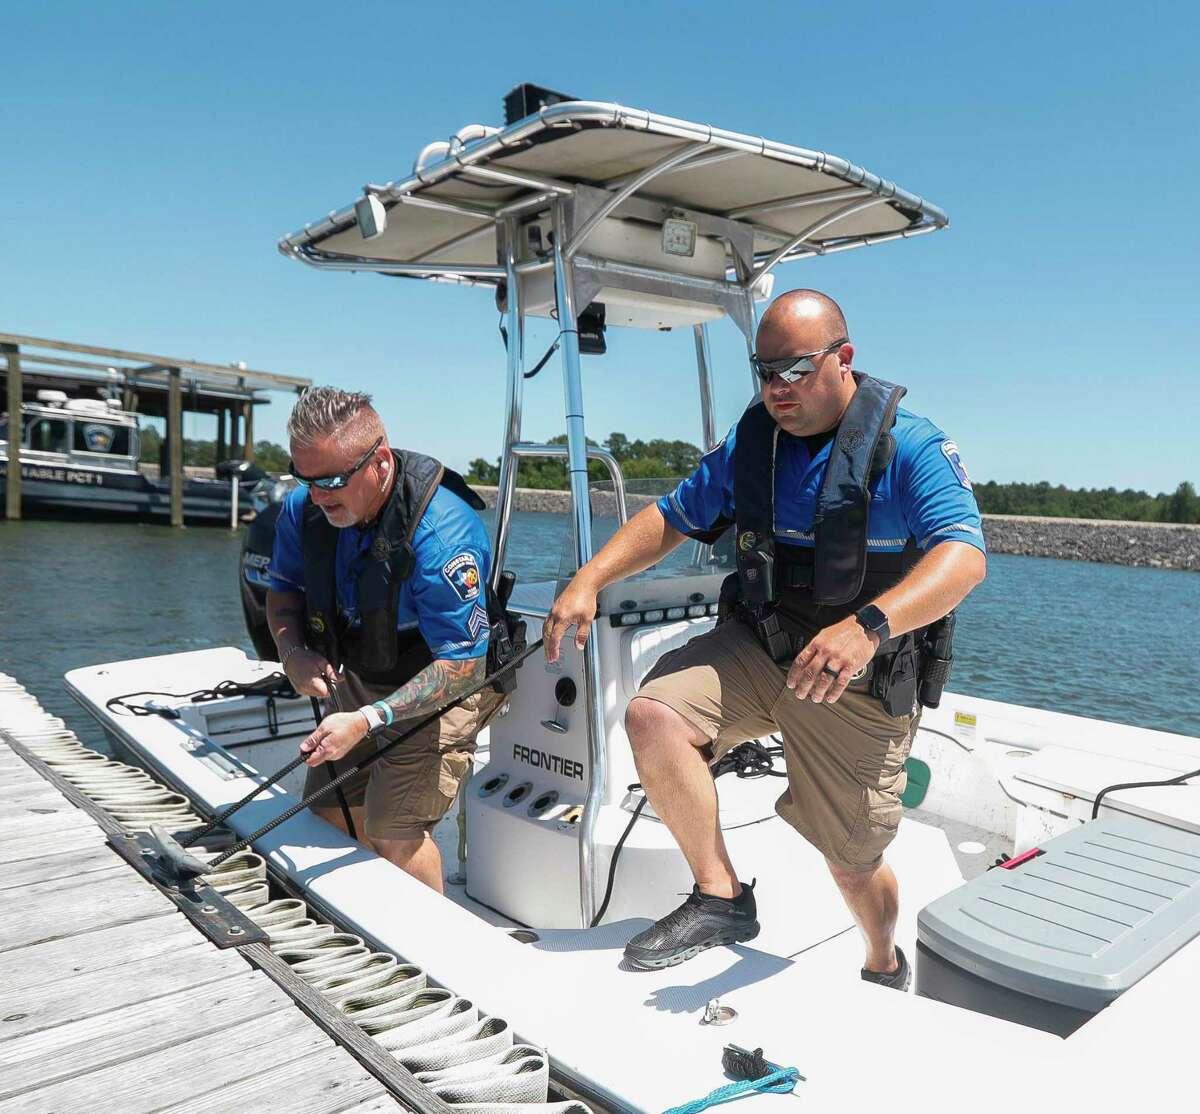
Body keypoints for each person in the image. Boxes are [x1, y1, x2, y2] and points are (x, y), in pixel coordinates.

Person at [543, 290, 987, 988]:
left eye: (797, 370)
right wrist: (589, 579)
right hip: (767, 647)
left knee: (851, 861)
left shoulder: (913, 448)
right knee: (653, 714)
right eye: (765, 371)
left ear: (844, 359)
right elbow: (672, 517)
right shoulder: (753, 442)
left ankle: (883, 960)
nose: (778, 388)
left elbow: (964, 558)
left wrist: (868, 626)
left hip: (858, 677)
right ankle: (720, 896)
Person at [265, 386, 502, 892]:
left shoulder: (441, 534)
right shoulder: (302, 510)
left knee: (393, 831)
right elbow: (282, 594)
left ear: (379, 461)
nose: (318, 494)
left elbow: (463, 666)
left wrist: (370, 719)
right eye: (304, 478)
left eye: (332, 480)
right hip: (363, 669)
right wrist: (294, 654)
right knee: (328, 811)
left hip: (446, 678)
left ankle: (431, 957)